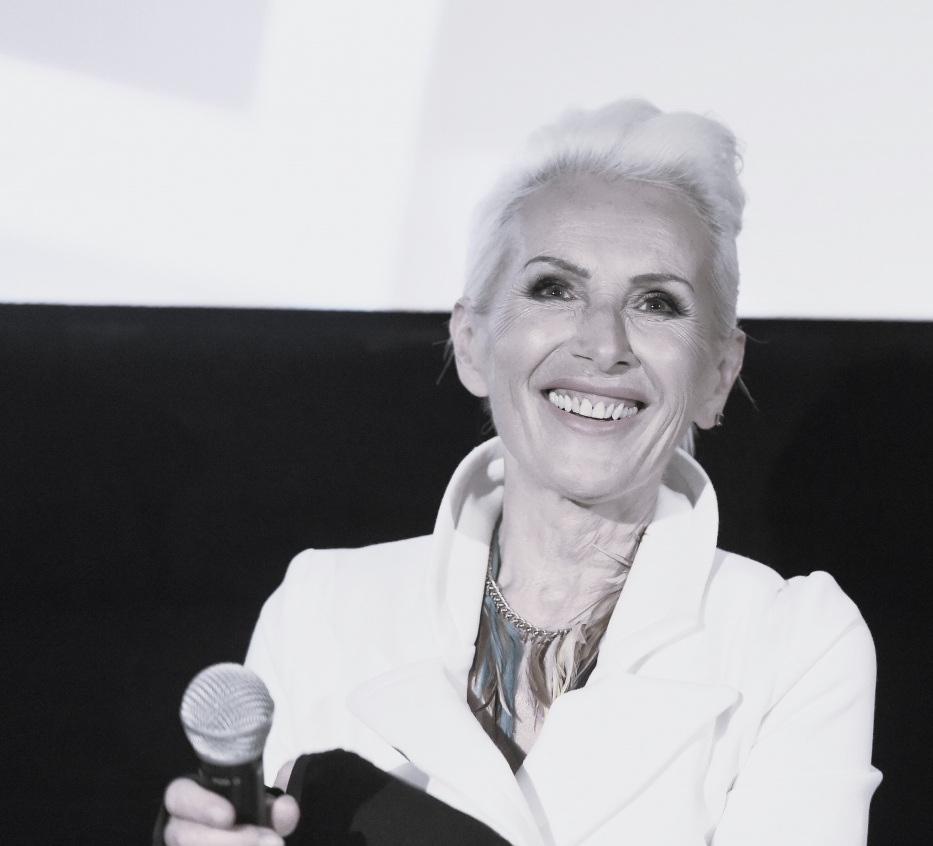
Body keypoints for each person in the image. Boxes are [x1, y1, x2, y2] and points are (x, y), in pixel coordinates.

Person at [162, 100, 881, 846]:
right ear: (472, 342)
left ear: (718, 374)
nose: (604, 344)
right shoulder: (323, 607)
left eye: (657, 302)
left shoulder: (793, 644)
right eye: (554, 289)